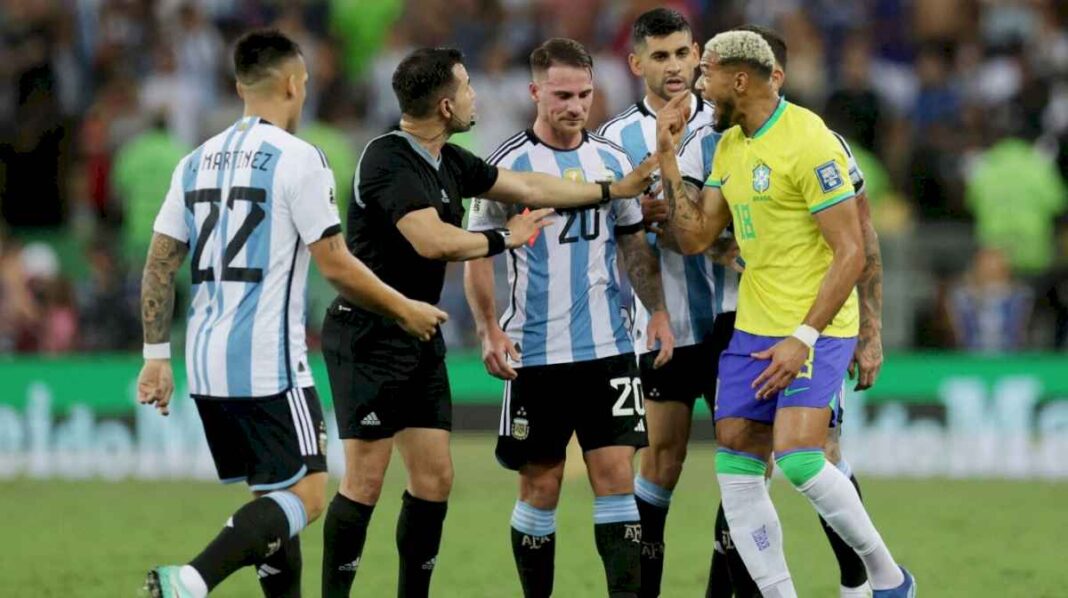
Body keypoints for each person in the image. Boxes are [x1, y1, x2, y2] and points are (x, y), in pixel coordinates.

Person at [319, 47, 656, 598]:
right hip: (369, 332)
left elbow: (526, 189)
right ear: (447, 104)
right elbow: (434, 242)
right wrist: (506, 240)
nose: (478, 95)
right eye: (470, 86)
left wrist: (609, 191)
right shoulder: (387, 159)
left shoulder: (451, 160)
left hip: (420, 333)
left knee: (434, 480)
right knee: (365, 481)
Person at [136, 30, 447, 598]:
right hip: (267, 360)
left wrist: (156, 357)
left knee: (273, 498)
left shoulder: (194, 161)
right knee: (308, 498)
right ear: (294, 83)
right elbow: (334, 264)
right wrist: (403, 307)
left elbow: (159, 264)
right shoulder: (301, 158)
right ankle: (191, 579)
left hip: (205, 362)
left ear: (238, 86)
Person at [654, 30, 915, 598]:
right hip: (753, 327)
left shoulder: (811, 142)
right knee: (736, 471)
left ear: (739, 80)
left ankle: (889, 579)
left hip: (817, 326)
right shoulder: (730, 146)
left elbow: (852, 250)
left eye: (708, 75)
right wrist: (668, 159)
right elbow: (696, 236)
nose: (699, 85)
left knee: (799, 459)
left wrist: (809, 335)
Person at [464, 38, 674, 598]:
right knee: (541, 486)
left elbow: (633, 243)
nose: (574, 106)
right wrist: (488, 328)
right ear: (535, 92)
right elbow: (475, 255)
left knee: (615, 479)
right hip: (535, 353)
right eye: (561, 94)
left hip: (608, 348)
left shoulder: (611, 161)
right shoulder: (504, 167)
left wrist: (657, 312)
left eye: (583, 94)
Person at [594, 10, 725, 595]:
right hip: (658, 325)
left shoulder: (732, 126)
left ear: (697, 53)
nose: (673, 67)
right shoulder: (615, 141)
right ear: (636, 63)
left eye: (681, 53)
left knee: (747, 462)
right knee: (663, 462)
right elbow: (609, 234)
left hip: (735, 320)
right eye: (660, 56)